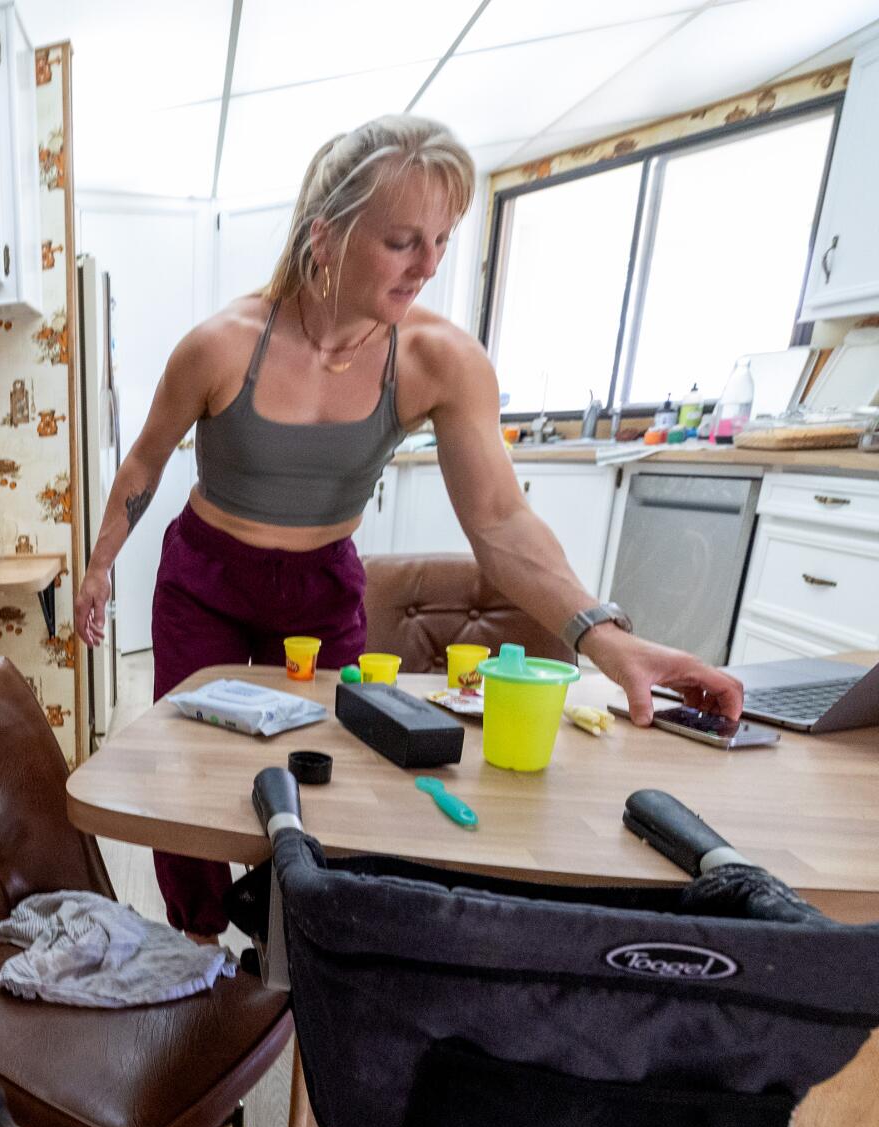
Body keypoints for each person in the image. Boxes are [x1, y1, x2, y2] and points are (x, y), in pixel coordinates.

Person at [72, 114, 742, 940]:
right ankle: (200, 942)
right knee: (197, 765)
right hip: (205, 578)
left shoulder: (440, 360)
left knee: (340, 772)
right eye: (402, 242)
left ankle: (310, 935)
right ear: (327, 235)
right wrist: (101, 564)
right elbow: (142, 463)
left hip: (320, 589)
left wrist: (604, 635)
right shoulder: (218, 346)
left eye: (441, 240)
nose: (428, 265)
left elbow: (498, 519)